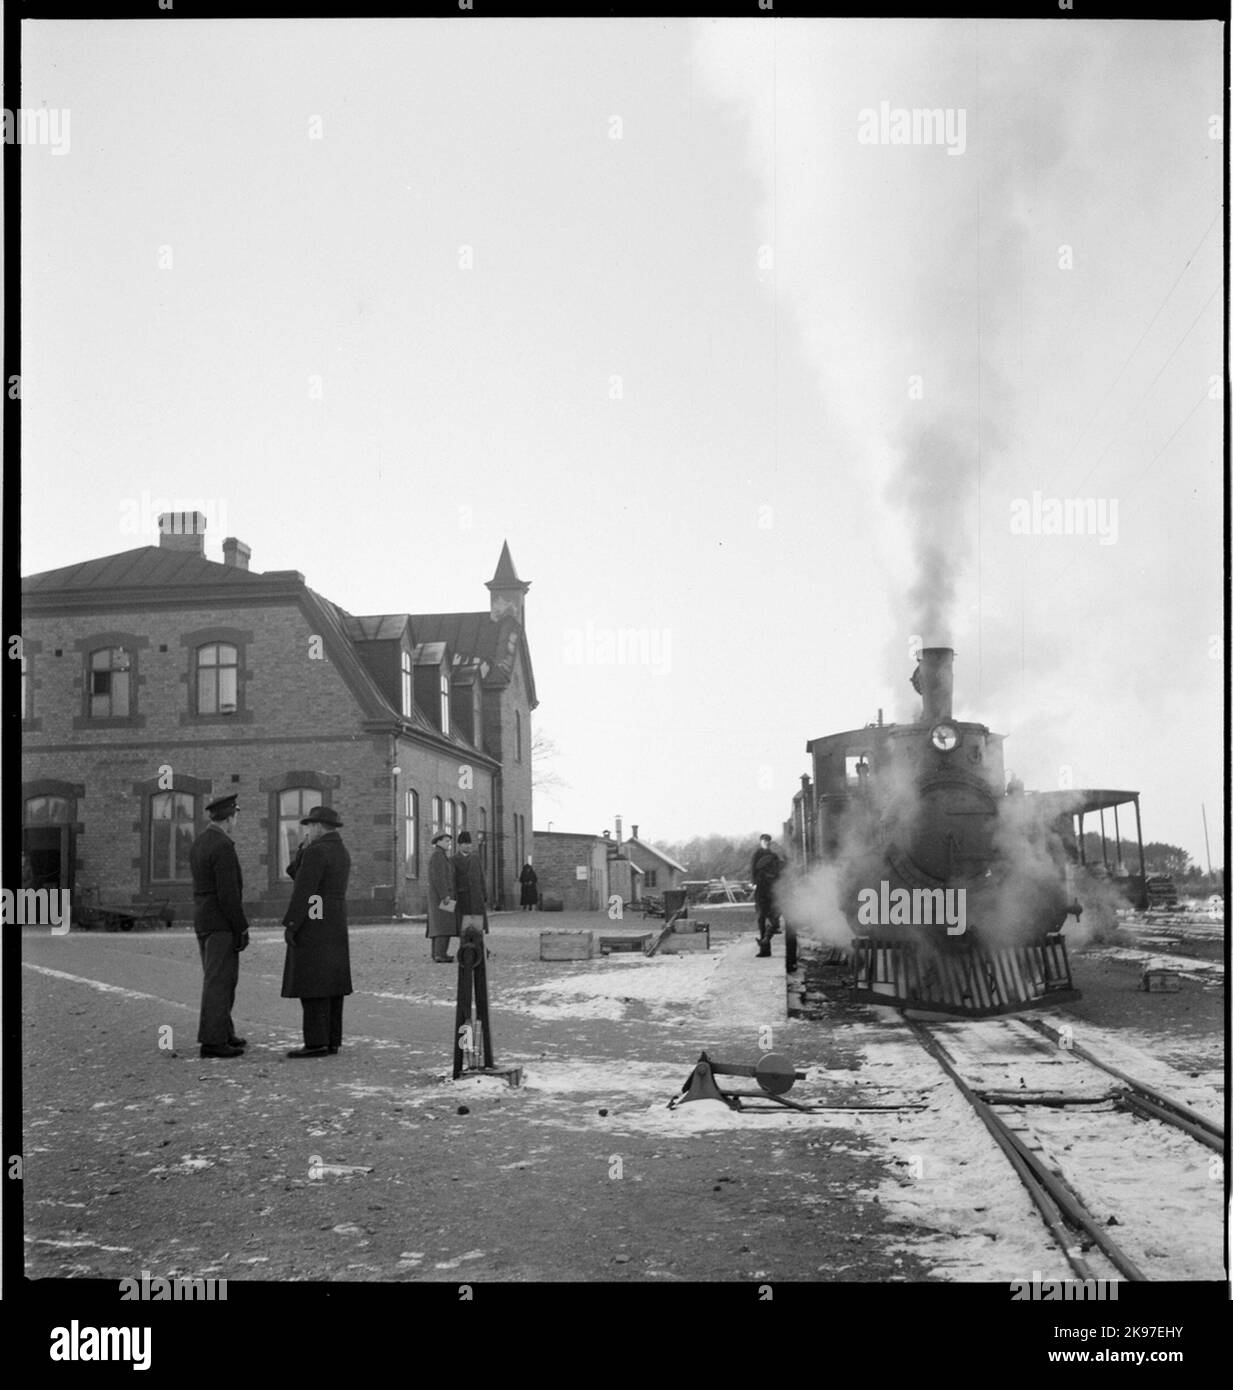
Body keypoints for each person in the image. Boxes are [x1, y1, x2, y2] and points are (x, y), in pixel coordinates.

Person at [281, 805, 352, 1058]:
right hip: (335, 921)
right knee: (332, 983)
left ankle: (315, 1042)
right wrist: (303, 850)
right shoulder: (340, 851)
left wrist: (293, 924)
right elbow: (299, 876)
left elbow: (305, 891)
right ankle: (332, 1040)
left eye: (310, 826)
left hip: (317, 922)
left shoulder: (316, 852)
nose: (308, 830)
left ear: (319, 826)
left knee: (313, 983)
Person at [190, 794, 250, 1059]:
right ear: (229, 818)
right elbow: (228, 894)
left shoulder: (200, 843)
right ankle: (213, 1041)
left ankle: (224, 1032)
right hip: (221, 923)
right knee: (220, 981)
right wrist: (242, 927)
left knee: (218, 978)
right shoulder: (223, 846)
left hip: (203, 919)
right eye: (235, 816)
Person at [426, 831, 457, 963]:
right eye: (446, 841)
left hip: (442, 896)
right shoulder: (438, 857)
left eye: (449, 841)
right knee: (443, 925)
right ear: (438, 842)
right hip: (443, 897)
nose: (448, 843)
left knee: (440, 925)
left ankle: (437, 953)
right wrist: (445, 895)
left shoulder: (440, 856)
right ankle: (440, 954)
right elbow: (439, 878)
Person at [751, 833, 782, 958]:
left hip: (772, 889)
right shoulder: (757, 855)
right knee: (761, 918)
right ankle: (765, 949)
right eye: (764, 841)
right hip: (761, 889)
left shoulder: (774, 856)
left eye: (768, 841)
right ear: (761, 842)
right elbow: (753, 870)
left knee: (774, 918)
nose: (766, 843)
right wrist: (754, 883)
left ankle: (765, 941)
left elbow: (778, 872)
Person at [454, 830, 489, 935]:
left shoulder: (475, 859)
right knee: (464, 928)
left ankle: (479, 949)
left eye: (469, 843)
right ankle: (465, 950)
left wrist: (484, 894)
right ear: (459, 845)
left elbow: (481, 877)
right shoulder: (454, 860)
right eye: (465, 844)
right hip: (463, 898)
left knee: (478, 928)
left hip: (476, 898)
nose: (468, 846)